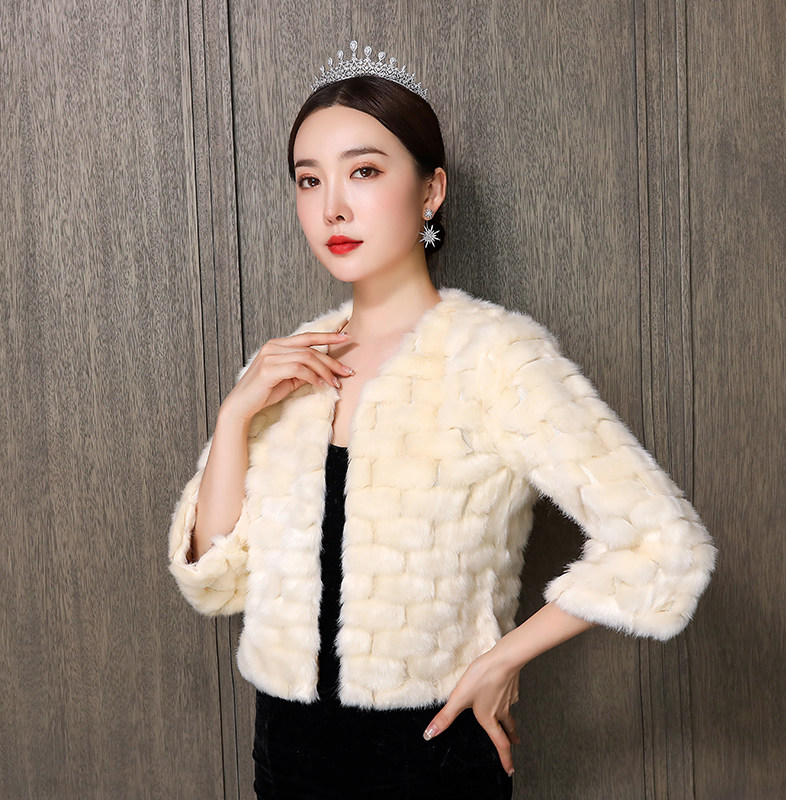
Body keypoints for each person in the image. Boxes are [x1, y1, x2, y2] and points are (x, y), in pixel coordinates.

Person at [168, 41, 717, 800]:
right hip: (285, 754)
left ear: (430, 191)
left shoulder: (494, 357)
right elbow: (215, 581)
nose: (332, 207)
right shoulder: (286, 367)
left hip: (431, 754)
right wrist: (236, 417)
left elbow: (664, 543)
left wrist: (504, 658)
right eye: (309, 179)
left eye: (364, 171)